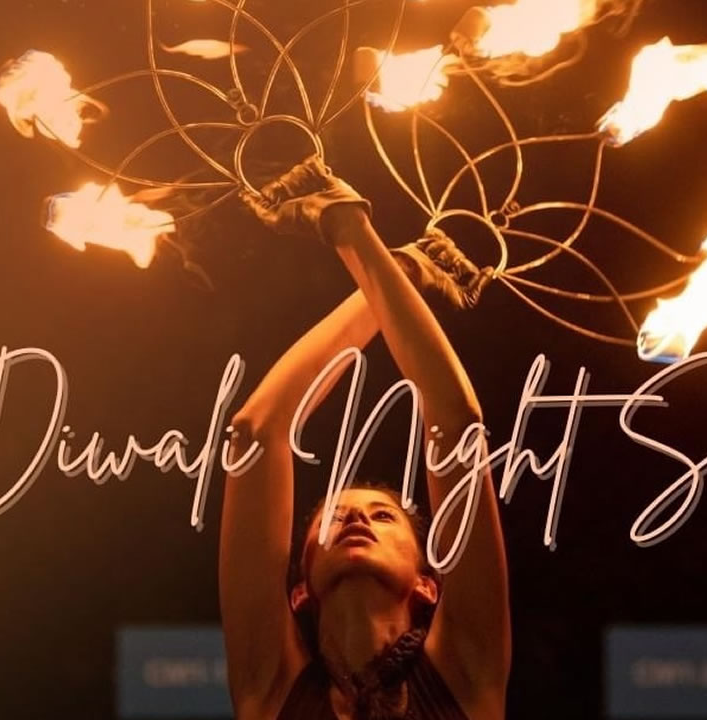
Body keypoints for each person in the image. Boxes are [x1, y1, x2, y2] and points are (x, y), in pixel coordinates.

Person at [219, 156, 511, 720]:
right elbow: (256, 429)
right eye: (336, 518)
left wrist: (354, 234)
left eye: (382, 515)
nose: (355, 518)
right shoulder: (266, 683)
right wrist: (393, 268)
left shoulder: (469, 669)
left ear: (428, 585)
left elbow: (456, 422)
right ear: (300, 590)